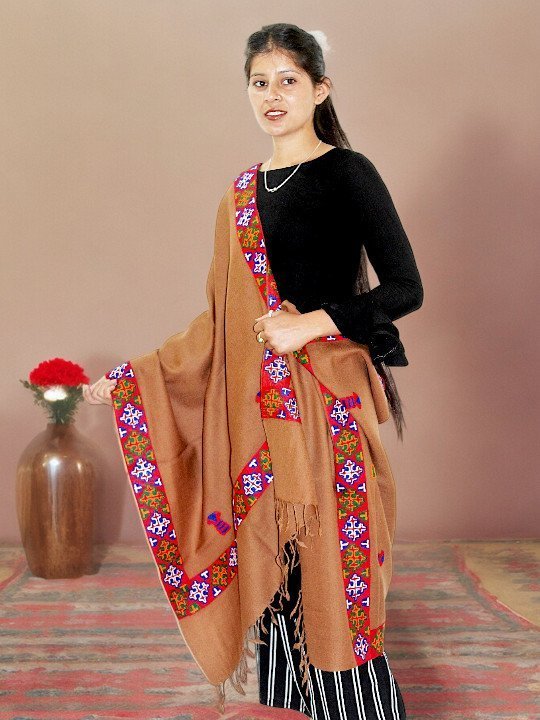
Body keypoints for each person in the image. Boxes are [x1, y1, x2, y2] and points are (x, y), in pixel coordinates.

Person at [84, 22, 423, 720]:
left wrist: (311, 323)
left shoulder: (348, 173)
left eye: (288, 81)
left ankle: (359, 709)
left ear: (320, 89)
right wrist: (133, 381)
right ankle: (291, 706)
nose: (273, 95)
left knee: (337, 568)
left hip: (328, 404)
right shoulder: (240, 195)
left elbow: (405, 288)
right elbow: (219, 322)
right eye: (259, 83)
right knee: (278, 571)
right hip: (256, 415)